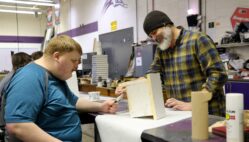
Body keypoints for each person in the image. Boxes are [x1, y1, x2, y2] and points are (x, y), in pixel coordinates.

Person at [5, 35, 118, 142]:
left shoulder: (55, 76)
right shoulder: (30, 77)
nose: (76, 66)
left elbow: (73, 101)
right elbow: (17, 125)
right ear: (57, 56)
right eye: (73, 61)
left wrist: (102, 106)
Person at [116, 10, 227, 116]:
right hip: (180, 116)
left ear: (166, 25)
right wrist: (128, 86)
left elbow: (218, 74)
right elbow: (151, 77)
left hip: (207, 114)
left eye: (154, 32)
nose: (154, 38)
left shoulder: (197, 40)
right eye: (151, 36)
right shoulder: (162, 50)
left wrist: (195, 104)